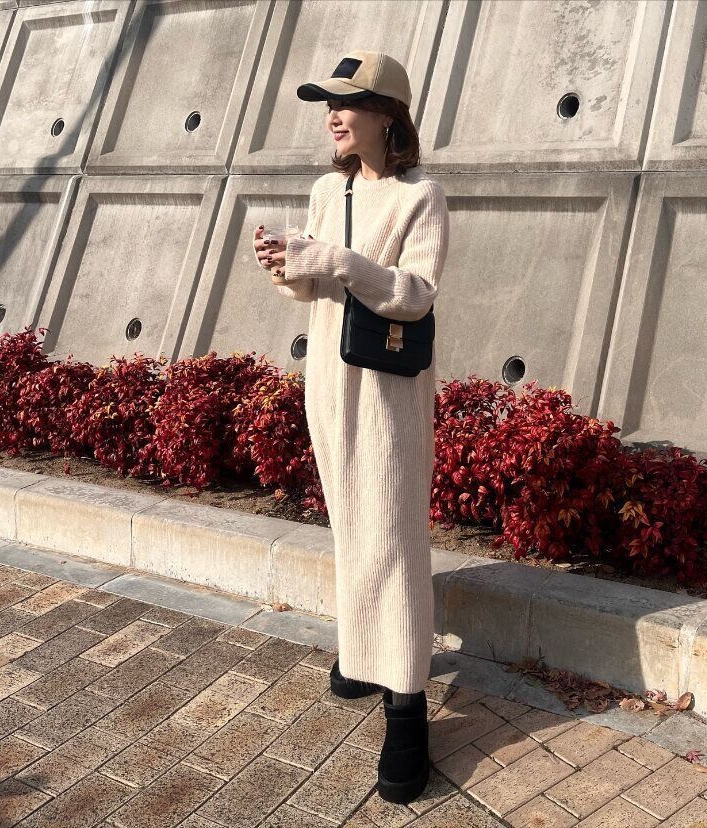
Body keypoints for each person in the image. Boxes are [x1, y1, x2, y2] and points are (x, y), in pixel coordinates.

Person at [251, 50, 449, 804]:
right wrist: (287, 265)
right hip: (331, 386)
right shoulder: (324, 190)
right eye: (328, 104)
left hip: (390, 391)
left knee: (394, 536)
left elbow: (415, 294)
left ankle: (407, 704)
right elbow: (312, 290)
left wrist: (335, 259)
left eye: (347, 102)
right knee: (352, 525)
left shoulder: (420, 196)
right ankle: (365, 653)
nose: (333, 115)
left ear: (386, 116)